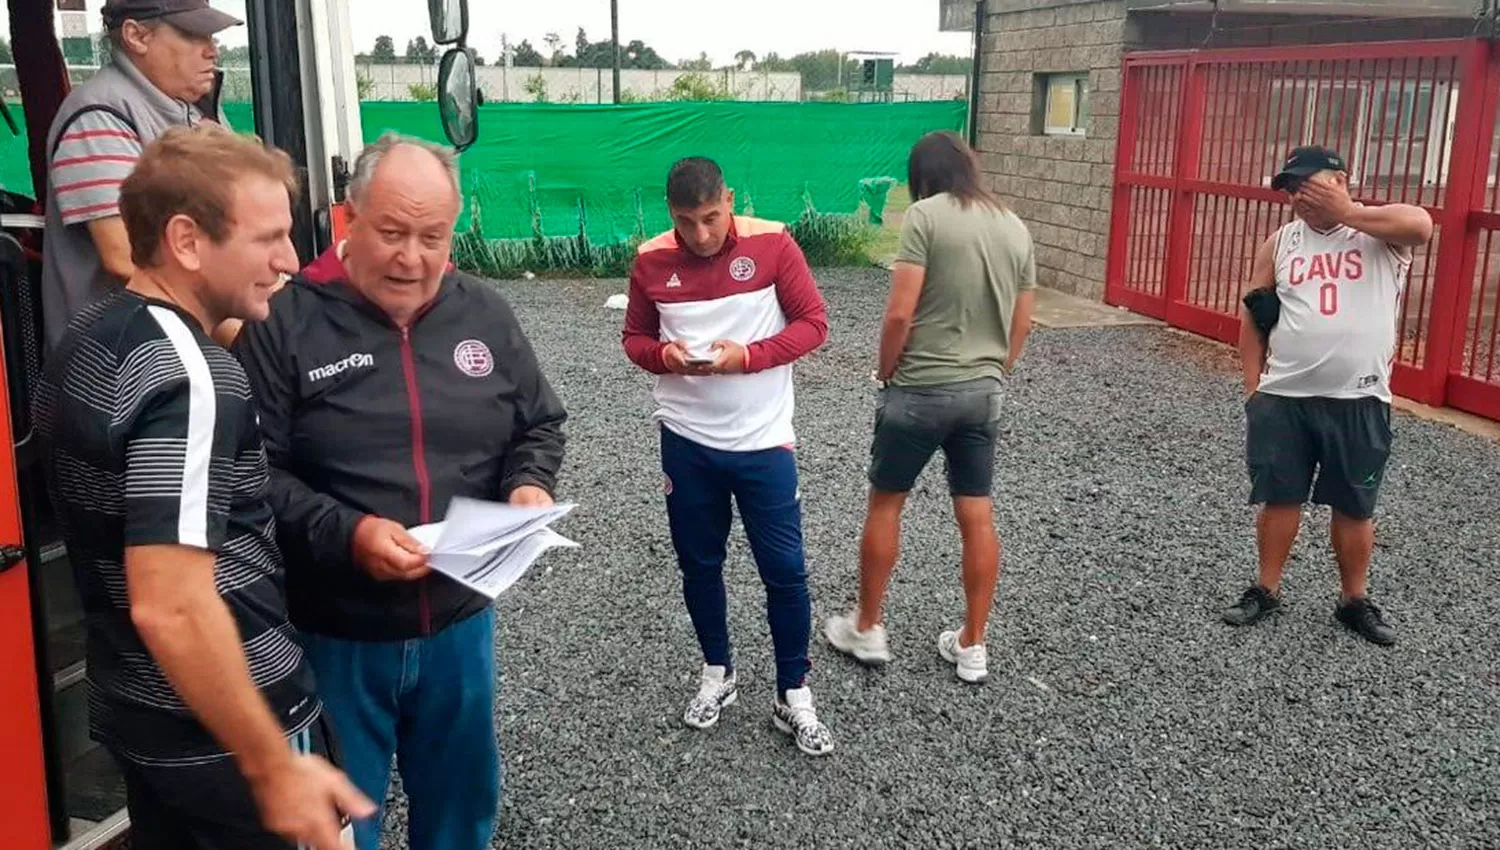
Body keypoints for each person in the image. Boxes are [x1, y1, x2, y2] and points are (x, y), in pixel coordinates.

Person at [34, 124, 373, 850]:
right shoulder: (189, 377)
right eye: (269, 237)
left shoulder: (93, 335)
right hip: (228, 741)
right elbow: (174, 604)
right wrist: (272, 766)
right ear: (187, 241)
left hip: (143, 718)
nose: (290, 260)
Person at [234, 132, 568, 850]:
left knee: (462, 809)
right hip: (334, 632)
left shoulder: (484, 313)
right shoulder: (286, 322)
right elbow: (253, 473)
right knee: (343, 825)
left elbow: (539, 423)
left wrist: (529, 486)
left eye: (432, 237)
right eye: (391, 232)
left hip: (459, 624)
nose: (412, 258)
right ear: (349, 218)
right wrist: (347, 533)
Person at [622, 156, 834, 756]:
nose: (702, 235)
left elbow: (814, 324)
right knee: (699, 564)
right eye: (687, 222)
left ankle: (793, 693)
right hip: (686, 440)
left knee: (786, 571)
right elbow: (634, 339)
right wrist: (663, 358)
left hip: (763, 440)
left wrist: (749, 356)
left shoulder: (773, 244)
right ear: (671, 215)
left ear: (730, 201)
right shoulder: (650, 260)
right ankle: (719, 672)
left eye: (712, 218)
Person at [820, 131, 1036, 684]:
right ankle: (973, 643)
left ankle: (867, 627)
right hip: (982, 391)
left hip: (918, 389)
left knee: (887, 504)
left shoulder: (924, 218)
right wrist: (997, 369)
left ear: (922, 177)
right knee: (977, 514)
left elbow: (899, 314)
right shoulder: (1013, 225)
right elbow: (1022, 320)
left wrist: (886, 370)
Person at [1222, 144, 1433, 646]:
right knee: (1279, 497)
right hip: (1285, 396)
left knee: (1356, 504)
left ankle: (1353, 599)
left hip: (1358, 398)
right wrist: (1253, 387)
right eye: (1292, 188)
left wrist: (1350, 214)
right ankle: (1266, 589)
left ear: (1340, 180)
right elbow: (1254, 311)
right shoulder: (1282, 242)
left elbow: (1421, 225)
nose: (1299, 195)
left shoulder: (1379, 233)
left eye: (1308, 184)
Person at [41, 0, 240, 353]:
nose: (212, 51)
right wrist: (251, 338)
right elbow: (125, 257)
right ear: (136, 36)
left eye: (212, 37)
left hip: (185, 351)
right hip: (127, 369)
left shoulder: (193, 109)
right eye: (194, 35)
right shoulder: (98, 116)